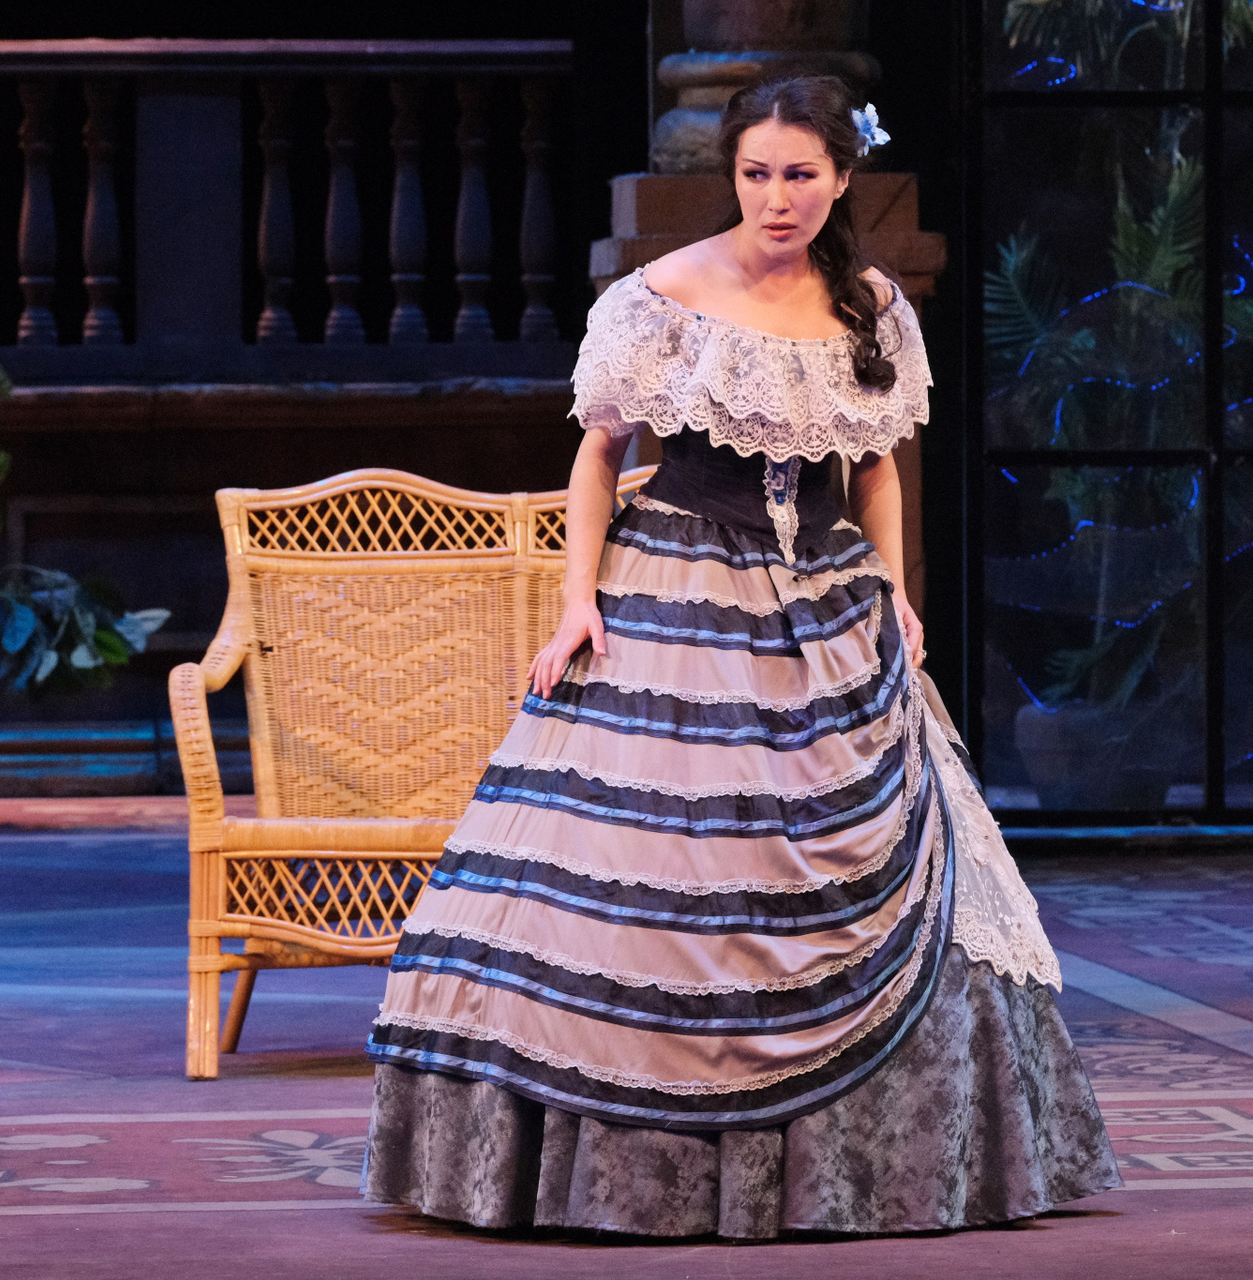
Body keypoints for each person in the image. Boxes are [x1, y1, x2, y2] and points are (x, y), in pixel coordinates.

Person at [362, 75, 1118, 1239]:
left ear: (841, 179)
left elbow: (878, 467)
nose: (777, 197)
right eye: (757, 173)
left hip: (825, 595)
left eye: (801, 175)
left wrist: (895, 591)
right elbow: (597, 454)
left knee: (883, 843)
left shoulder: (870, 306)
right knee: (655, 853)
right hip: (679, 582)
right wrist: (577, 603)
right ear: (734, 174)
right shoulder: (662, 296)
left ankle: (884, 1163)